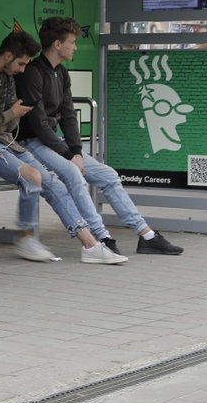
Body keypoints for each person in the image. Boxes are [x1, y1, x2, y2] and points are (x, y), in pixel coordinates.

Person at [0, 31, 127, 264]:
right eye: (21, 63)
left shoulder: (7, 77)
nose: (23, 69)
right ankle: (25, 237)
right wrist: (7, 115)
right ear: (7, 55)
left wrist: (4, 118)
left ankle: (90, 244)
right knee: (33, 177)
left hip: (3, 140)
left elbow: (15, 118)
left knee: (52, 181)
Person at [16, 17, 184, 256]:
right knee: (75, 175)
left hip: (55, 144)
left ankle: (146, 235)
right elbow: (39, 124)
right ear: (57, 44)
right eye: (72, 42)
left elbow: (68, 114)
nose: (75, 47)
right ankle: (101, 236)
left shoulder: (61, 73)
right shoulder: (32, 73)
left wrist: (75, 150)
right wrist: (69, 155)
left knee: (109, 176)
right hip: (33, 143)